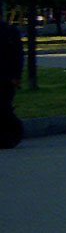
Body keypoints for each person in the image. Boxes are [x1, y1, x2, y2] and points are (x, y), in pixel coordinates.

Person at [0, 20, 23, 148]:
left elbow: (18, 55)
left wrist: (16, 76)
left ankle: (8, 136)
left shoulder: (10, 32)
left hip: (6, 78)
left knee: (3, 107)